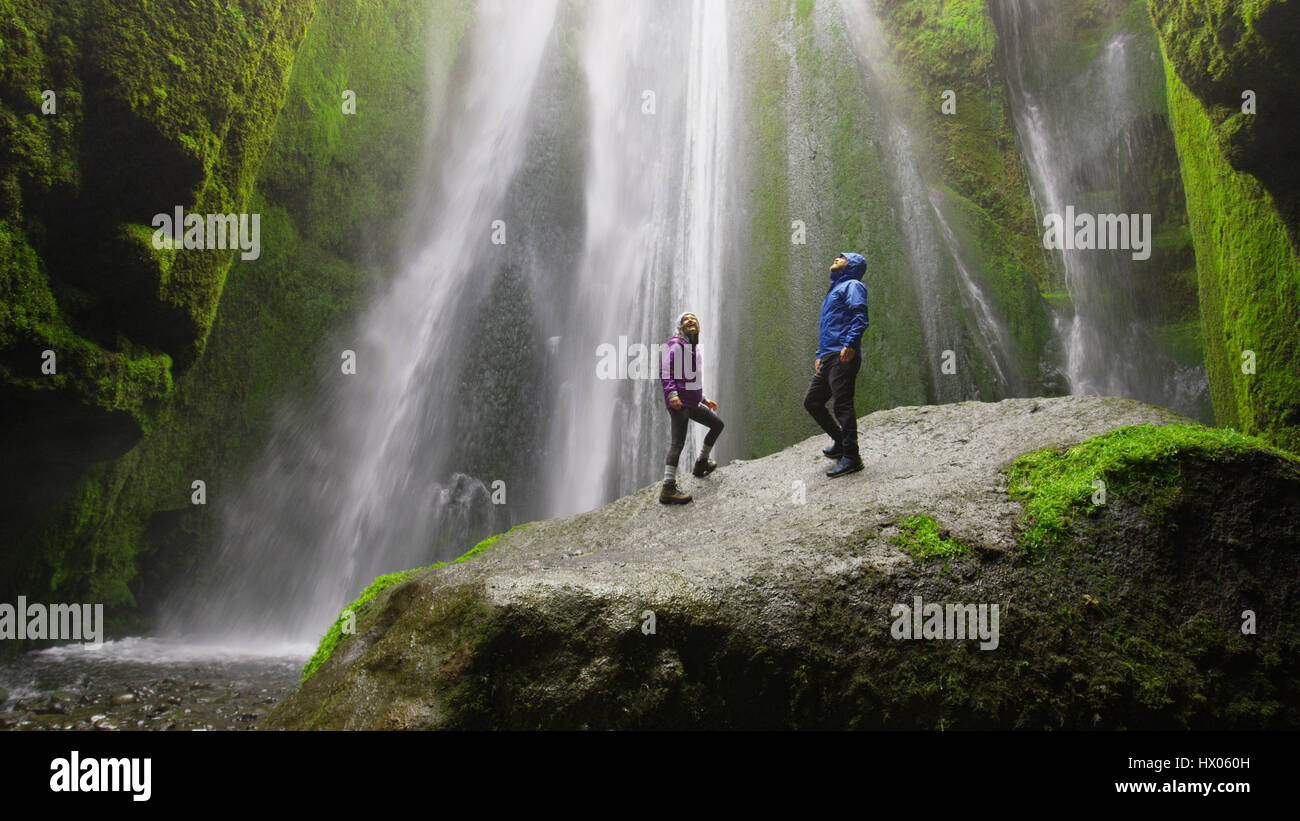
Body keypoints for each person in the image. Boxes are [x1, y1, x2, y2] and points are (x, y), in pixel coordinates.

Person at [805, 252, 869, 477]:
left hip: (844, 354)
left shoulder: (853, 285)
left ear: (851, 265)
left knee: (842, 404)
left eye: (842, 257)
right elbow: (829, 326)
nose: (836, 258)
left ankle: (852, 457)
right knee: (812, 401)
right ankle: (841, 442)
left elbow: (860, 315)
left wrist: (850, 344)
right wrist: (820, 353)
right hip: (829, 355)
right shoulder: (835, 289)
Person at [659, 312, 724, 504]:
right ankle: (667, 488)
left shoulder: (693, 349)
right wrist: (672, 395)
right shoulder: (676, 345)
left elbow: (692, 379)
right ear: (679, 327)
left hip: (692, 403)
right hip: (679, 403)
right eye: (686, 320)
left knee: (717, 424)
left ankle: (701, 463)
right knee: (677, 444)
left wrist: (703, 399)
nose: (690, 321)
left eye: (693, 319)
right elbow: (665, 370)